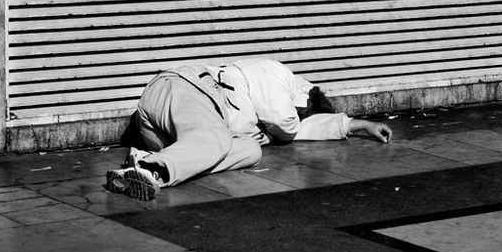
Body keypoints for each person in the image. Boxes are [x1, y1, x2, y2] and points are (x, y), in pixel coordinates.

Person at [104, 58, 393, 200]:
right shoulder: (278, 74)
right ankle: (151, 169)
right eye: (304, 112)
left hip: (182, 134)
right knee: (215, 138)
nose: (301, 119)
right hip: (184, 90)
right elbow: (284, 122)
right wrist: (295, 120)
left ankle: (145, 164)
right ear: (304, 98)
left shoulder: (278, 117)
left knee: (251, 150)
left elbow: (296, 126)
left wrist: (357, 125)